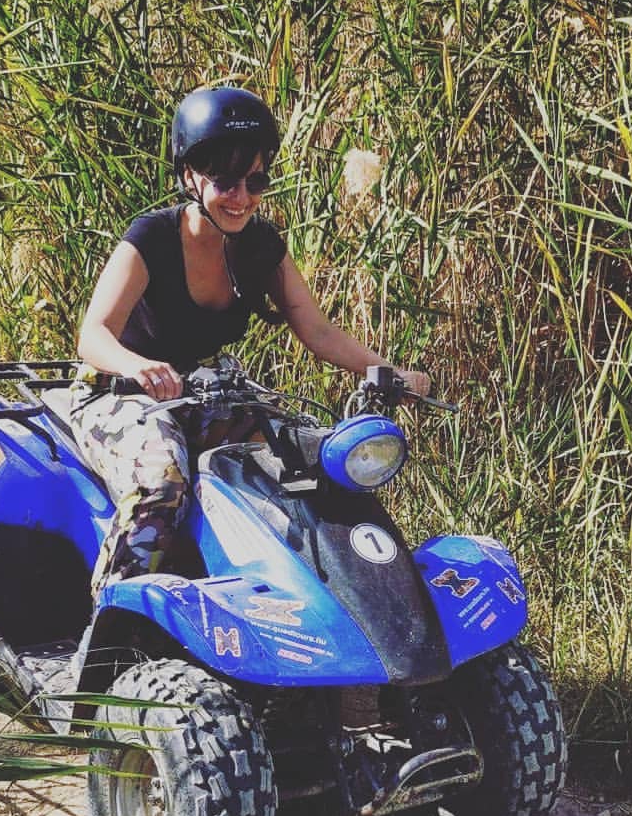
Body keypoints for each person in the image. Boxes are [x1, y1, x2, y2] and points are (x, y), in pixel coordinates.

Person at [70, 86, 430, 590]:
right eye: (225, 181)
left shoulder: (261, 246)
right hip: (119, 392)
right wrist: (137, 366)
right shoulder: (152, 237)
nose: (242, 198)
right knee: (161, 483)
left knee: (311, 459)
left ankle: (337, 599)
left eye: (255, 181)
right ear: (190, 176)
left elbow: (318, 330)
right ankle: (114, 614)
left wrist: (391, 374)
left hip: (201, 392)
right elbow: (93, 334)